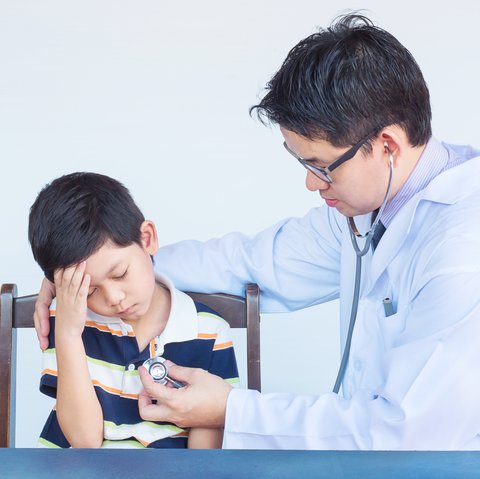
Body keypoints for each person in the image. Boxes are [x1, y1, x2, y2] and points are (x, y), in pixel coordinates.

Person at [34, 14, 480, 450]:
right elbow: (246, 263)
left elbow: (408, 433)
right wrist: (88, 272)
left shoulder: (462, 250)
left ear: (386, 146)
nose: (310, 184)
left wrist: (233, 409)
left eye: (321, 167)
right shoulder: (366, 211)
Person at [28, 172, 239, 449]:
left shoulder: (208, 332)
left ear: (147, 238)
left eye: (120, 274)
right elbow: (84, 442)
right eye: (89, 290)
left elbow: (204, 456)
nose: (114, 298)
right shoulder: (68, 321)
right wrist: (68, 335)